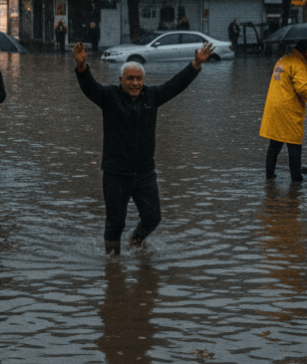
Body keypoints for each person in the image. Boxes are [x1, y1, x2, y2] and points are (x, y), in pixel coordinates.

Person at [73, 40, 215, 255]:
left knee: (152, 218)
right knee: (115, 224)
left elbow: (176, 85)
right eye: (130, 79)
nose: (135, 84)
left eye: (139, 79)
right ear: (121, 80)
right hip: (115, 173)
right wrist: (82, 66)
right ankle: (113, 266)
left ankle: (135, 241)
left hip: (144, 173)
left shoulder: (152, 96)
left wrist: (195, 64)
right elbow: (89, 87)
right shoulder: (110, 97)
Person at [259, 39, 307, 182]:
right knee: (294, 145)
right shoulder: (298, 63)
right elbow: (302, 89)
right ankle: (296, 180)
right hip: (288, 109)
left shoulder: (283, 60)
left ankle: (269, 177)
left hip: (274, 107)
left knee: (274, 144)